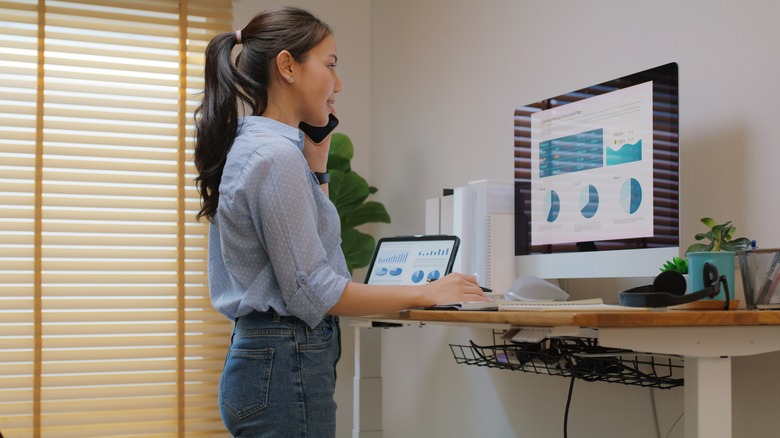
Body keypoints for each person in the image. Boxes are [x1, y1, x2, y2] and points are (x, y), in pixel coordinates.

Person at [193, 6, 488, 437]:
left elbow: (312, 257)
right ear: (288, 66)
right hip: (284, 361)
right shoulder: (274, 158)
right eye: (330, 65)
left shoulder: (256, 146)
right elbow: (316, 290)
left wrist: (316, 164)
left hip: (266, 362)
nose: (339, 83)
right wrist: (428, 292)